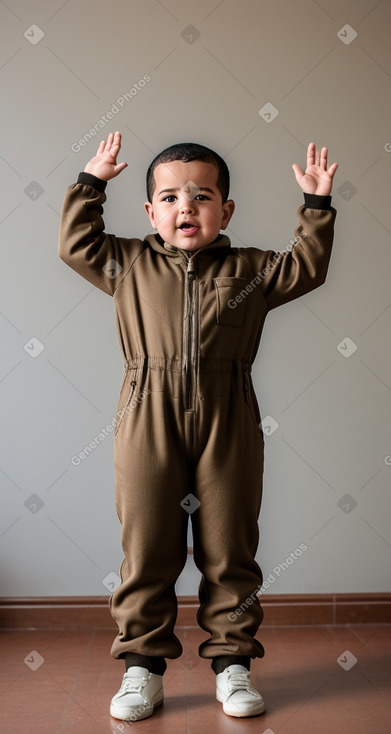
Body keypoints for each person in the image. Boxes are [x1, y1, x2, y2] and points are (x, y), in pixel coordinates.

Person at [58, 133, 338, 721]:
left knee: (230, 546)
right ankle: (142, 669)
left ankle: (233, 666)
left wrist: (316, 207)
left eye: (202, 195)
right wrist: (91, 184)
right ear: (150, 212)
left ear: (226, 210)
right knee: (147, 547)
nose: (186, 207)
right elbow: (76, 244)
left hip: (228, 415)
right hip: (146, 414)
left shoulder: (250, 270)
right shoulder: (128, 262)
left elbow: (307, 267)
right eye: (170, 197)